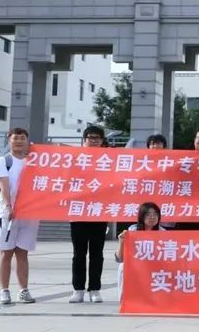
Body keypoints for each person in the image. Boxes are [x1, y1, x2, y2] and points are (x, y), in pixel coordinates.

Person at [0, 127, 39, 305]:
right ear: (9, 140)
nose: (19, 141)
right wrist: (9, 206)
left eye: (22, 138)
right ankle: (4, 291)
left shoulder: (34, 161)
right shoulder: (4, 161)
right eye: (16, 138)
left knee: (22, 253)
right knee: (6, 252)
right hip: (8, 213)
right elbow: (4, 185)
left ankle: (23, 290)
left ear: (27, 141)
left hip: (29, 213)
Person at [69, 126, 108, 303]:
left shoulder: (109, 160)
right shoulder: (75, 158)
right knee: (79, 253)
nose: (93, 141)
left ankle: (94, 289)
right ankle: (78, 289)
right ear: (84, 140)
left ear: (102, 141)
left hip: (99, 211)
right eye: (90, 137)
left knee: (97, 253)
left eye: (97, 138)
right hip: (78, 211)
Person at [114, 202, 162, 297]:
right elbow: (119, 259)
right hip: (135, 270)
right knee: (123, 267)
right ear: (141, 216)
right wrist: (121, 242)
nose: (152, 217)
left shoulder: (163, 233)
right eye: (148, 214)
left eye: (155, 214)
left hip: (154, 270)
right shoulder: (132, 231)